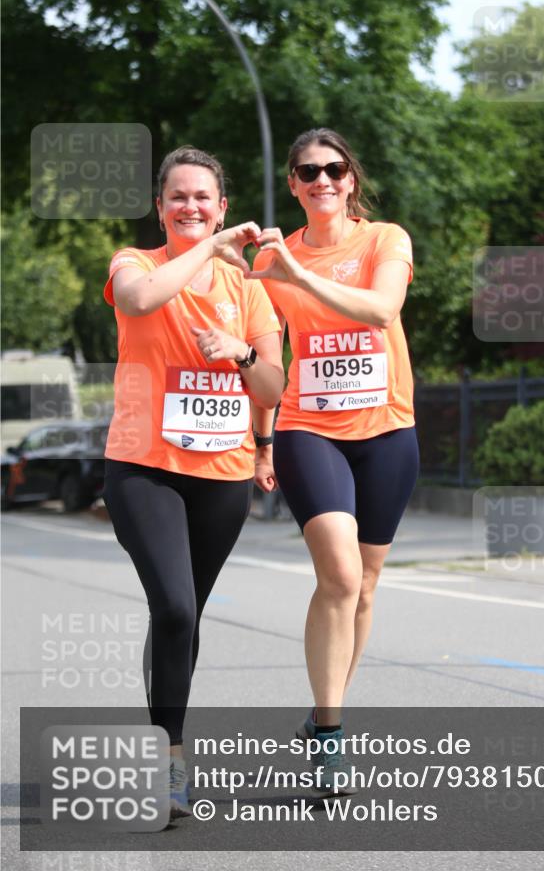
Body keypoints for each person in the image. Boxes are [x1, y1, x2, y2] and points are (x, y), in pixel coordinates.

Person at [103, 146, 283, 817]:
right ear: (160, 207)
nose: (190, 206)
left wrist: (239, 353)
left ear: (222, 206)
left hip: (223, 472)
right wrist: (207, 251)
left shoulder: (251, 287)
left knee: (182, 616)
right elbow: (139, 299)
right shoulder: (136, 261)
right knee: (174, 607)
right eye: (178, 196)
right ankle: (171, 758)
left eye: (202, 197)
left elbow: (273, 383)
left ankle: (162, 740)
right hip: (143, 466)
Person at [250, 128, 419, 793]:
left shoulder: (384, 240)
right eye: (306, 171)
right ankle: (329, 739)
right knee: (341, 577)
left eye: (333, 168)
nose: (321, 180)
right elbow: (265, 353)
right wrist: (261, 439)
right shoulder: (271, 259)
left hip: (386, 431)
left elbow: (382, 309)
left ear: (350, 179)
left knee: (367, 585)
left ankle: (326, 714)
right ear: (292, 184)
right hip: (307, 430)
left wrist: (298, 276)